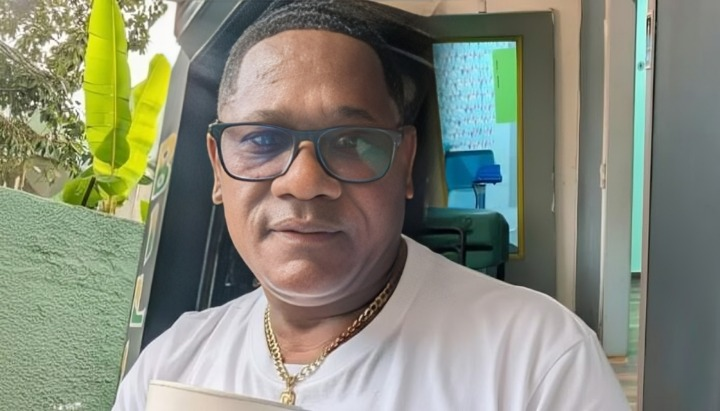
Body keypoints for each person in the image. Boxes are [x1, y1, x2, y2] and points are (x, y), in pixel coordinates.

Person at [113, 1, 629, 409]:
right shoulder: (171, 367)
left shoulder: (539, 363)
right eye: (263, 140)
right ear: (218, 168)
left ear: (405, 163)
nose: (304, 182)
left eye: (352, 141)